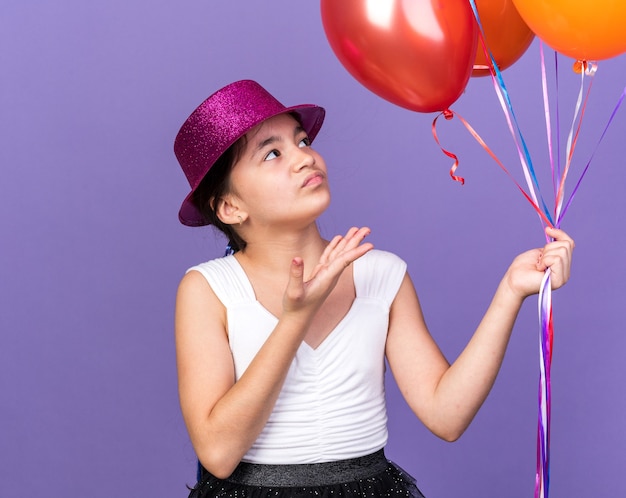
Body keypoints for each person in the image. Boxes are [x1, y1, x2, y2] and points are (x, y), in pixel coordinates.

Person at [173, 80, 574, 498]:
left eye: (303, 140)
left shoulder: (382, 274)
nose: (304, 158)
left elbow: (446, 415)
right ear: (230, 207)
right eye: (272, 153)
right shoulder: (207, 289)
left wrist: (510, 291)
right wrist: (295, 319)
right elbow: (218, 452)